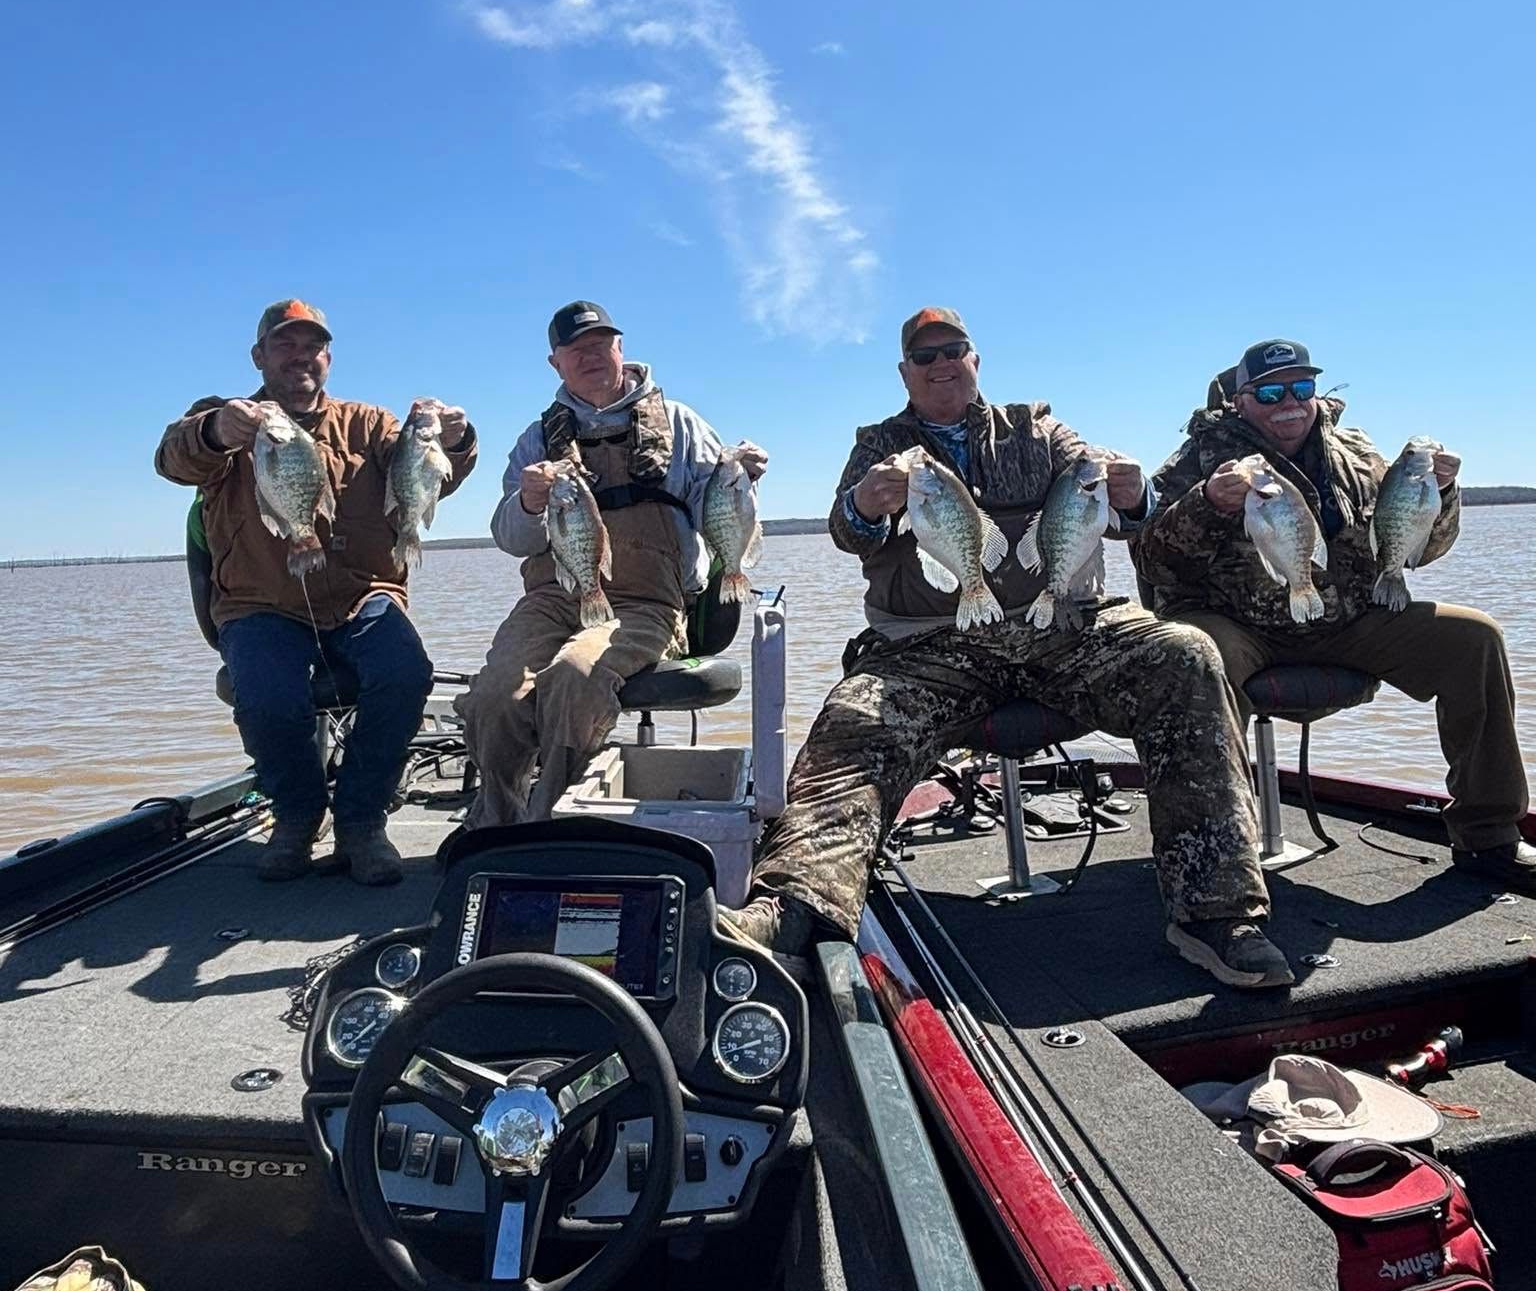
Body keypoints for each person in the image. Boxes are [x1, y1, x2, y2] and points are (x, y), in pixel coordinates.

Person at [733, 306, 1289, 989]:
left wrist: (1133, 493)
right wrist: (864, 504)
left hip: (1061, 628)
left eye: (954, 350)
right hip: (928, 646)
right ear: (906, 373)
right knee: (856, 717)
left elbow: (1122, 517)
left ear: (975, 360)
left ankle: (1218, 914)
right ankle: (796, 910)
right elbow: (848, 534)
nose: (942, 364)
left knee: (1186, 655)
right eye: (926, 356)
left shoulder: (1039, 429)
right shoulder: (879, 444)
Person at [1133, 336, 1534, 888]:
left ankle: (1489, 836)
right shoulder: (1194, 462)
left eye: (1301, 388)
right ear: (1240, 401)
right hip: (1239, 626)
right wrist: (1207, 505)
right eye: (1269, 393)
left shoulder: (1360, 455)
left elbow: (1419, 551)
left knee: (1475, 638)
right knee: (1193, 657)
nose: (1289, 402)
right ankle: (1214, 854)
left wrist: (1441, 494)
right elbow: (1151, 560)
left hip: (1349, 621)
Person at [155, 300, 477, 884]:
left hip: (362, 595)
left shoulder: (369, 424)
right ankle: (297, 816)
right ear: (259, 356)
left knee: (405, 672)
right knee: (266, 697)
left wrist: (454, 441)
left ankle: (361, 819)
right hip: (259, 603)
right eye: (286, 344)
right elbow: (173, 458)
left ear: (328, 358)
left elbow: (425, 474)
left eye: (313, 346)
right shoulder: (228, 419)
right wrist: (215, 431)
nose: (301, 356)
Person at [457, 301, 767, 823]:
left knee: (576, 676)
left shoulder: (680, 424)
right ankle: (496, 823)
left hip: (649, 602)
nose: (590, 356)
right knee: (494, 694)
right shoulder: (536, 439)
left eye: (600, 344)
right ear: (555, 363)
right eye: (575, 349)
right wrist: (528, 503)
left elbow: (717, 512)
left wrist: (743, 479)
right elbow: (512, 539)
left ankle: (552, 821)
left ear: (621, 348)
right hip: (554, 597)